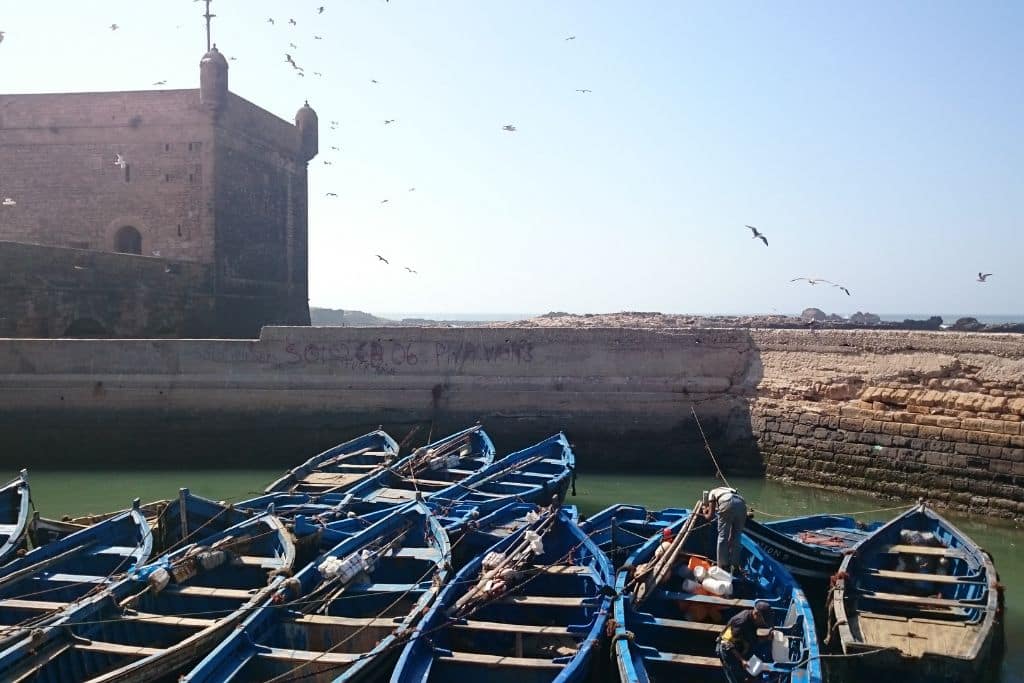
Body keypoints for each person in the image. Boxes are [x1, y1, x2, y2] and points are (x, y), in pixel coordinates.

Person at [716, 600, 774, 683]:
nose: (764, 623)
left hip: (743, 645)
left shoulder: (754, 619)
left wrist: (767, 637)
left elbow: (751, 637)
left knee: (756, 672)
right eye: (763, 620)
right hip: (728, 650)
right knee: (736, 678)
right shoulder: (741, 622)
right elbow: (725, 642)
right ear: (756, 614)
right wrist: (742, 660)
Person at [703, 486, 747, 573]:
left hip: (727, 503)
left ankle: (722, 566)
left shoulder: (712, 492)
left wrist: (704, 511)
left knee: (722, 537)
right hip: (742, 504)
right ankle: (735, 566)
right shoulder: (729, 490)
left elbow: (710, 516)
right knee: (737, 537)